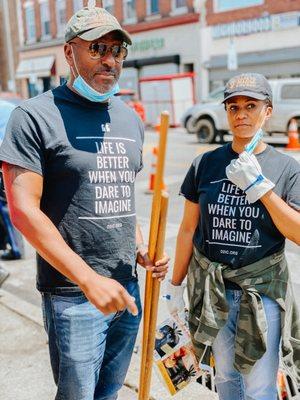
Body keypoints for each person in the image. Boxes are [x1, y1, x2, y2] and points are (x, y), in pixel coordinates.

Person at [0, 7, 169, 400]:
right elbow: (24, 211)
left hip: (126, 288)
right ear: (69, 52)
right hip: (73, 294)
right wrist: (88, 280)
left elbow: (119, 194)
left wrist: (140, 247)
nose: (110, 59)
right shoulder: (34, 116)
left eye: (117, 50)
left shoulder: (129, 118)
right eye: (97, 48)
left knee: (108, 393)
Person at [165, 73, 300, 400]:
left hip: (262, 292)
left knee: (259, 386)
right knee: (225, 378)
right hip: (216, 293)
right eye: (233, 107)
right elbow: (187, 229)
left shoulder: (285, 167)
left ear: (268, 111)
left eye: (251, 106)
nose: (241, 114)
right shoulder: (205, 164)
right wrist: (175, 286)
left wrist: (261, 188)